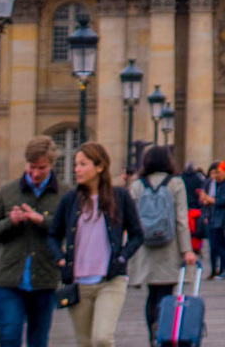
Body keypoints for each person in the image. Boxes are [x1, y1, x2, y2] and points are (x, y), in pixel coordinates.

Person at [48, 142, 144, 347]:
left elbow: (137, 234)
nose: (76, 169)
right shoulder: (70, 199)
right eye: (76, 164)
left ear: (99, 167)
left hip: (110, 280)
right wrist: (60, 259)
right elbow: (53, 235)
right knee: (84, 342)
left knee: (102, 338)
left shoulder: (120, 197)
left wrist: (122, 257)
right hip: (78, 283)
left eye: (83, 164)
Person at [0, 136, 65, 347]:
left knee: (38, 340)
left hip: (45, 278)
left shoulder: (63, 194)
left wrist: (42, 221)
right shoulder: (8, 191)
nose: (35, 173)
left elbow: (71, 229)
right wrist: (10, 222)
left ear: (51, 164)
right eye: (31, 167)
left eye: (41, 168)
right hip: (10, 279)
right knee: (9, 336)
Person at [127, 147, 195, 347]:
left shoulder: (137, 185)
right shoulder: (176, 183)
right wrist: (187, 249)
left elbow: (131, 220)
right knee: (166, 294)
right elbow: (182, 219)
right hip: (169, 246)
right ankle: (164, 334)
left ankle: (152, 333)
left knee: (152, 293)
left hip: (146, 246)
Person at [203, 162, 225, 279]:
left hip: (223, 220)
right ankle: (218, 269)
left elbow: (223, 200)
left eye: (219, 172)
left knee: (222, 246)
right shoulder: (215, 184)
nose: (217, 175)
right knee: (214, 246)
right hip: (214, 219)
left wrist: (210, 200)